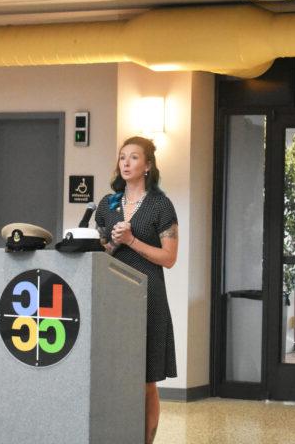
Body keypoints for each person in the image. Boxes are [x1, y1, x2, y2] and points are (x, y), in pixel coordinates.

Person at [94, 136, 178, 444]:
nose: (126, 163)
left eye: (133, 158)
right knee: (114, 378)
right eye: (122, 158)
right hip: (113, 297)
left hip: (148, 297)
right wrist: (111, 244)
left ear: (148, 166)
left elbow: (169, 258)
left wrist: (132, 241)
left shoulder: (160, 205)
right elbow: (99, 251)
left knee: (145, 381)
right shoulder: (108, 204)